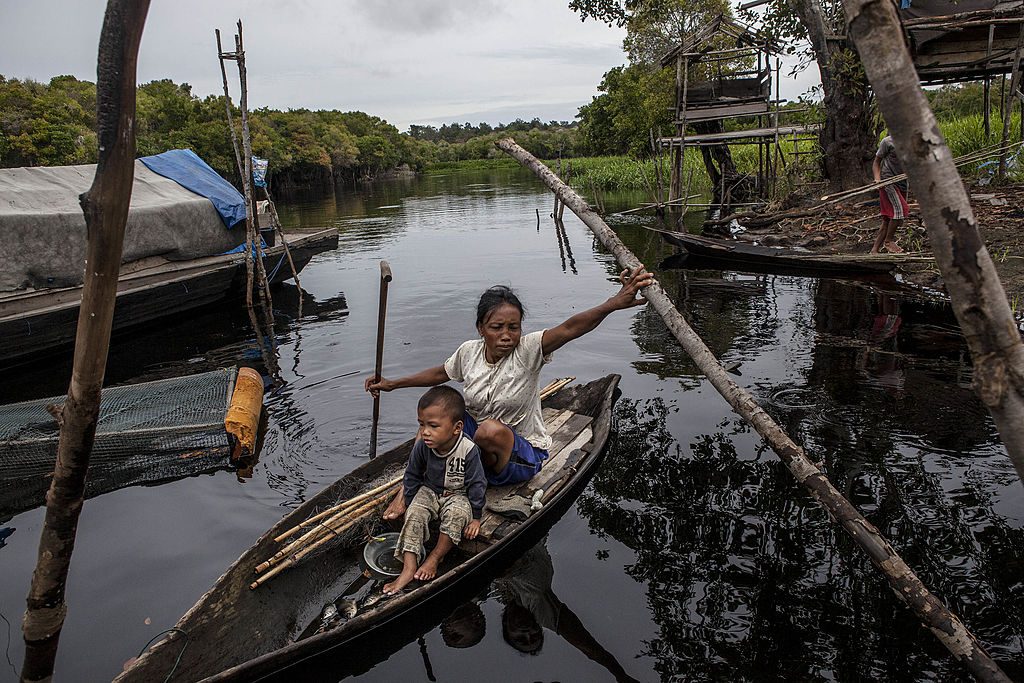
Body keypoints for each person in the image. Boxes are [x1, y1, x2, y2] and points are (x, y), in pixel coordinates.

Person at [365, 265, 655, 520]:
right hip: (476, 443)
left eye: (513, 327)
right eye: (497, 327)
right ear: (481, 328)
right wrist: (392, 384)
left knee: (489, 430)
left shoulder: (529, 350)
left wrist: (612, 304)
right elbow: (441, 373)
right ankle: (406, 491)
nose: (506, 335)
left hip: (520, 451)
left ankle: (461, 482)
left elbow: (570, 328)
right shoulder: (469, 352)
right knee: (431, 419)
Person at [384, 386, 486, 595]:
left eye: (433, 426)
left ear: (457, 428)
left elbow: (477, 483)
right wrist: (411, 502)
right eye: (421, 424)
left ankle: (435, 556)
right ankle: (409, 566)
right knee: (414, 514)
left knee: (457, 515)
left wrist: (476, 517)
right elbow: (412, 475)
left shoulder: (468, 449)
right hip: (429, 491)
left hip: (458, 494)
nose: (425, 432)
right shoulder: (423, 446)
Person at [871, 134, 908, 254]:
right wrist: (877, 179)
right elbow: (877, 162)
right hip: (888, 182)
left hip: (903, 183)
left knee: (888, 219)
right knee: (900, 211)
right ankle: (888, 241)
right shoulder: (887, 142)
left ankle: (874, 250)